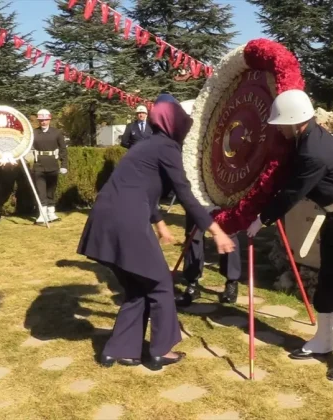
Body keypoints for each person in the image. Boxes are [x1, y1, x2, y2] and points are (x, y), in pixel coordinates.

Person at [77, 95, 236, 371]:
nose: (186, 128)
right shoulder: (166, 148)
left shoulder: (146, 146)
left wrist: (160, 222)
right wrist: (216, 230)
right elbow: (185, 195)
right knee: (161, 284)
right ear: (173, 123)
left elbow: (141, 187)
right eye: (184, 123)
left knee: (138, 287)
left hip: (105, 218)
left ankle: (118, 350)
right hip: (126, 222)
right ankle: (162, 350)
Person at [246, 89, 333, 381]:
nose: (279, 129)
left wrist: (262, 219)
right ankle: (323, 339)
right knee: (327, 283)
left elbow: (294, 192)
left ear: (297, 122)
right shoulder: (304, 138)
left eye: (281, 123)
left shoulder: (313, 151)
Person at [175, 99, 242, 306]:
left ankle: (232, 281)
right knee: (193, 236)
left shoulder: (222, 129)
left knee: (228, 235)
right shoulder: (184, 139)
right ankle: (192, 282)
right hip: (195, 192)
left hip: (221, 191)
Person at [31, 109, 67, 224]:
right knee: (41, 191)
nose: (43, 122)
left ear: (49, 119)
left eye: (45, 120)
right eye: (41, 120)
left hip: (53, 164)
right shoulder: (34, 133)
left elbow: (63, 150)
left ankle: (51, 213)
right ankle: (42, 214)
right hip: (39, 165)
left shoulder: (57, 133)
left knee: (51, 190)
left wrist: (64, 165)